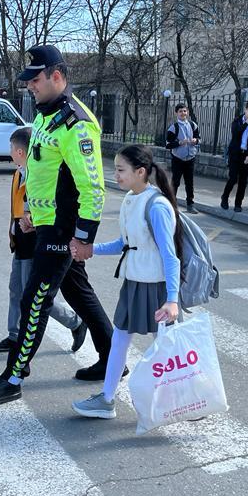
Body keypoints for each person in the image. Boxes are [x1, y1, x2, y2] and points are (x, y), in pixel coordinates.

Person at [0, 45, 115, 405]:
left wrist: (83, 238)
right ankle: (112, 360)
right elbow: (42, 169)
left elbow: (93, 187)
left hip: (62, 230)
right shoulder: (44, 114)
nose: (29, 86)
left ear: (56, 75)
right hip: (45, 223)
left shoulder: (76, 123)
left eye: (34, 80)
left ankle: (14, 376)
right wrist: (33, 210)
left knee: (33, 299)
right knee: (78, 294)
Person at [71, 145, 181, 419]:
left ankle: (180, 398)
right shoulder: (133, 199)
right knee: (120, 340)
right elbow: (126, 243)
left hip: (155, 286)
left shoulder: (156, 206)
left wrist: (172, 299)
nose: (116, 175)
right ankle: (107, 399)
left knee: (164, 347)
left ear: (140, 172)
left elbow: (171, 256)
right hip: (134, 281)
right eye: (116, 169)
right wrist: (91, 249)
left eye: (121, 170)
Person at [0, 126, 90, 355]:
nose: (10, 152)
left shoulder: (41, 175)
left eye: (12, 148)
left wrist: (32, 221)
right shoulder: (19, 173)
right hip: (21, 241)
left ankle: (74, 321)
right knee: (16, 289)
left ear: (21, 152)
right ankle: (14, 335)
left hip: (36, 241)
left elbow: (50, 208)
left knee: (33, 295)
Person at [221, 100, 248, 212]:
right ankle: (225, 198)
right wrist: (246, 123)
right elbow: (236, 134)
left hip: (245, 155)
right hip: (235, 154)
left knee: (243, 181)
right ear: (245, 110)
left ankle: (238, 203)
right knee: (232, 178)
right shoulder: (237, 121)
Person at [165, 102, 201, 214]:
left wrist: (196, 141)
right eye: (180, 111)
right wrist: (180, 142)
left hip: (190, 158)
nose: (183, 113)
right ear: (176, 113)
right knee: (175, 182)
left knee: (189, 182)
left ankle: (190, 204)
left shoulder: (193, 125)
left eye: (185, 111)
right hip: (178, 158)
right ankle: (172, 204)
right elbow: (168, 144)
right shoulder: (173, 128)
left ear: (187, 112)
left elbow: (198, 138)